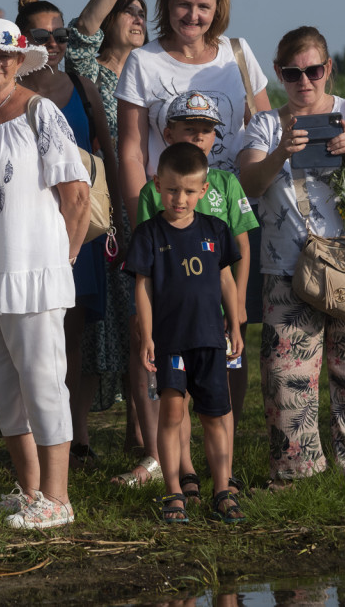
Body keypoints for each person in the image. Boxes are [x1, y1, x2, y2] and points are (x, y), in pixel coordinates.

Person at [116, 0, 267, 487]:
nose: (193, 16)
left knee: (230, 330)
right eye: (183, 5)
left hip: (225, 209)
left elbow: (262, 130)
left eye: (204, 7)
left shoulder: (239, 55)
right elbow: (130, 148)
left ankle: (221, 445)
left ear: (218, 8)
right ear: (168, 2)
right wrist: (143, 218)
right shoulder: (144, 61)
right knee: (157, 334)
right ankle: (164, 456)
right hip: (166, 210)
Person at [0, 17, 90, 529]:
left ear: (20, 61)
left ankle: (59, 498)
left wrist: (62, 259)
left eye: (5, 56)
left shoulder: (39, 112)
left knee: (44, 383)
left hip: (33, 272)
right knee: (4, 389)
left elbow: (77, 194)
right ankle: (31, 492)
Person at [239, 26, 345, 484]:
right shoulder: (265, 125)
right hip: (289, 263)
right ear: (279, 74)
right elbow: (248, 184)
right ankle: (295, 473)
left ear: (329, 69)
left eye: (313, 70)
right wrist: (280, 153)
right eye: (293, 73)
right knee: (286, 372)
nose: (304, 81)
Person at [65, 0, 161, 459]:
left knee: (143, 327)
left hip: (151, 211)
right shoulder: (90, 71)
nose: (137, 17)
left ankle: (141, 436)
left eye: (144, 12)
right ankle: (80, 438)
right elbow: (80, 30)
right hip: (104, 219)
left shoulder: (153, 75)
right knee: (92, 328)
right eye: (127, 11)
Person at [136, 91, 257, 504]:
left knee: (215, 410)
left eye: (207, 130)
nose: (179, 199)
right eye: (172, 191)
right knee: (173, 409)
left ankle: (223, 487)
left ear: (203, 190)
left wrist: (236, 316)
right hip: (170, 333)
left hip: (211, 331)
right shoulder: (150, 220)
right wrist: (147, 333)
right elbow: (144, 282)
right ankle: (178, 484)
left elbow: (230, 269)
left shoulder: (217, 218)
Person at [15, 0, 120, 468]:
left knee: (71, 337)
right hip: (23, 229)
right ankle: (33, 439)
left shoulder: (81, 84)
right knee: (27, 336)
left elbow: (109, 157)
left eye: (60, 36)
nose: (54, 43)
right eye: (42, 36)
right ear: (23, 39)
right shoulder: (7, 89)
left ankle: (77, 439)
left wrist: (125, 219)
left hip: (78, 226)